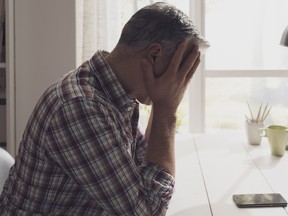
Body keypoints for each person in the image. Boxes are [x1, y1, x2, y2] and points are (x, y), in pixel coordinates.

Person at [0, 2, 208, 215]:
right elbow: (147, 212)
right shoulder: (80, 108)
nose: (181, 81)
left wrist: (161, 104)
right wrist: (166, 109)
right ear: (154, 54)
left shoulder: (115, 94)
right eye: (182, 68)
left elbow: (144, 176)